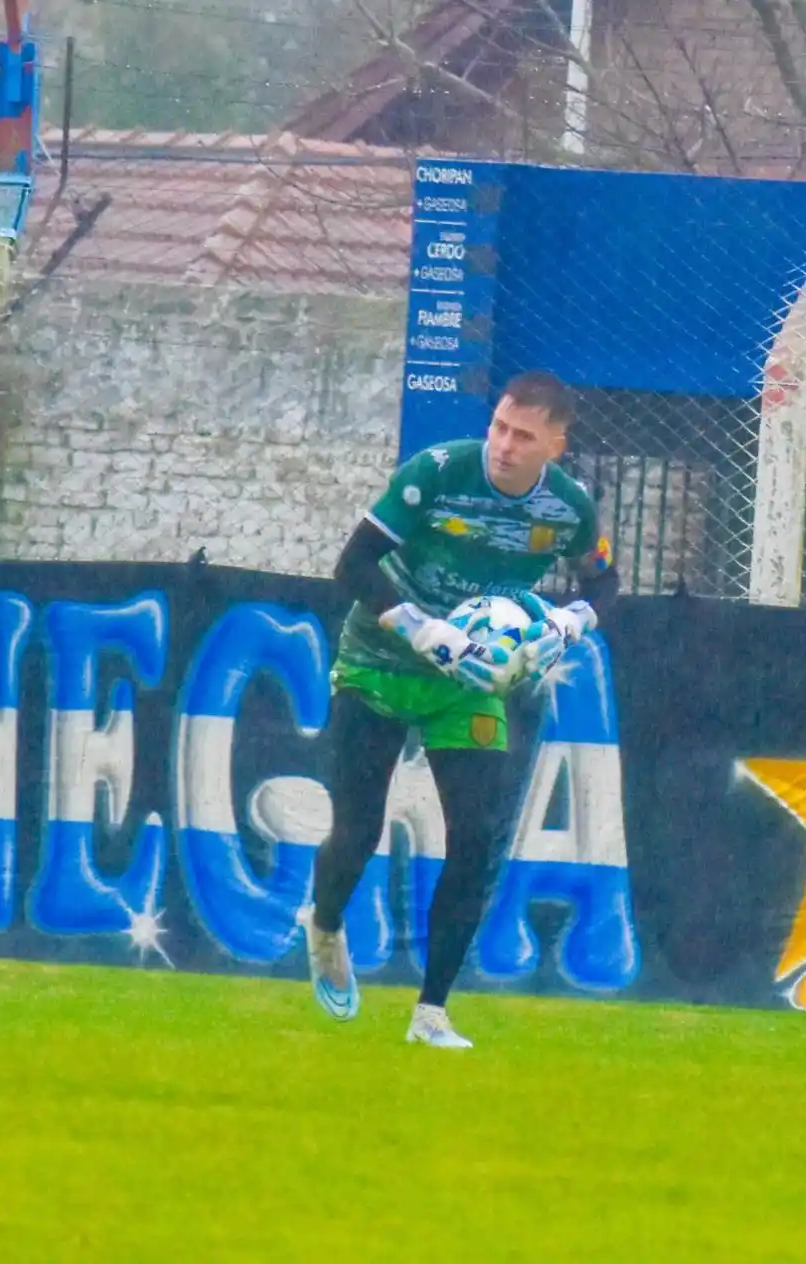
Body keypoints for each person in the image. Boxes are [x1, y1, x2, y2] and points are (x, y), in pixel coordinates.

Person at [306, 370, 619, 1048]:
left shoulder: (567, 509)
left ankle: (431, 1013)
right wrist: (423, 627)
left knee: (475, 839)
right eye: (500, 426)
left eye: (524, 436)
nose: (504, 445)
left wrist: (570, 623)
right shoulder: (436, 473)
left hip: (471, 682)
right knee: (357, 834)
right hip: (379, 665)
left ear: (556, 446)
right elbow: (352, 566)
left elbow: (605, 581)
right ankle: (325, 924)